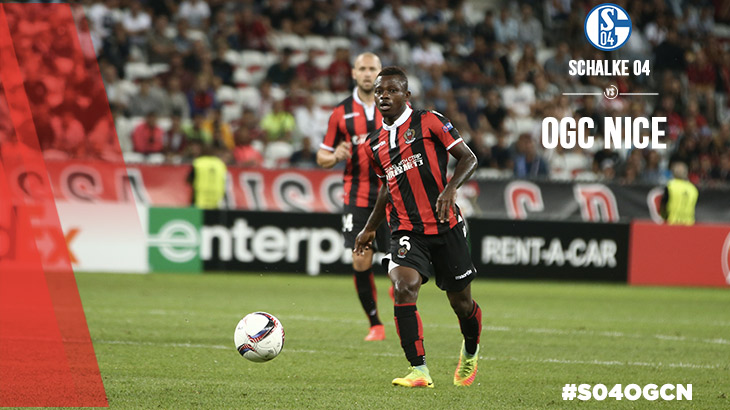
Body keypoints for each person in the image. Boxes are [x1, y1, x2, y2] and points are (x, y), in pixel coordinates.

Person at [354, 67, 481, 388]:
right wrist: (370, 228)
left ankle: (470, 350)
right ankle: (419, 370)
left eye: (392, 90)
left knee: (461, 303)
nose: (384, 96)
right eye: (379, 91)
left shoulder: (429, 121)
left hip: (446, 225)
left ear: (406, 95)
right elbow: (387, 187)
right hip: (406, 229)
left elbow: (468, 158)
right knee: (404, 287)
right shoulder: (373, 144)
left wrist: (451, 188)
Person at [316, 52, 389, 342]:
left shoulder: (395, 105)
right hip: (357, 195)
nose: (368, 73)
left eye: (373, 68)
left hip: (392, 193)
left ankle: (402, 305)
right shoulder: (340, 113)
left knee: (399, 261)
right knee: (360, 260)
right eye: (363, 68)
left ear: (380, 73)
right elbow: (322, 156)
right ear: (354, 73)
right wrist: (335, 155)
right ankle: (375, 324)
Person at [187, 142, 227, 209]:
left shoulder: (198, 162)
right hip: (216, 198)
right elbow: (224, 180)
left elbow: (189, 179)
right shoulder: (220, 164)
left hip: (200, 197)